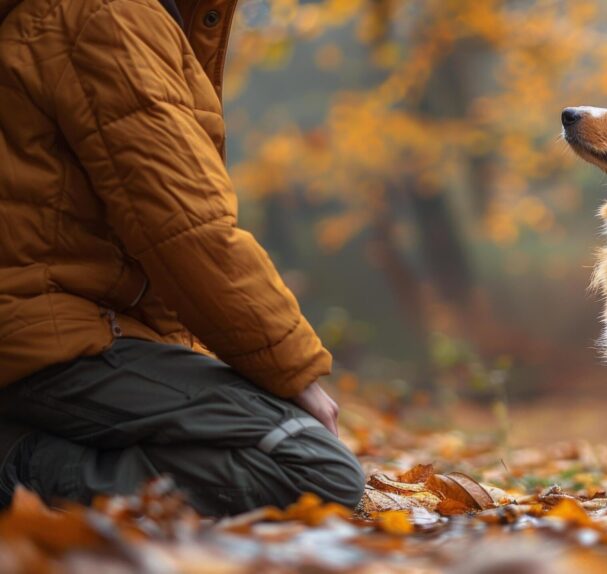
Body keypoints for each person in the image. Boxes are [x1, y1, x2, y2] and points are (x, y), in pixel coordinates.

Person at [0, 0, 365, 515]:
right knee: (310, 468)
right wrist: (294, 373)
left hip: (55, 333)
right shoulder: (106, 14)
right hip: (49, 337)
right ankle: (15, 470)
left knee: (263, 443)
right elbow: (185, 225)